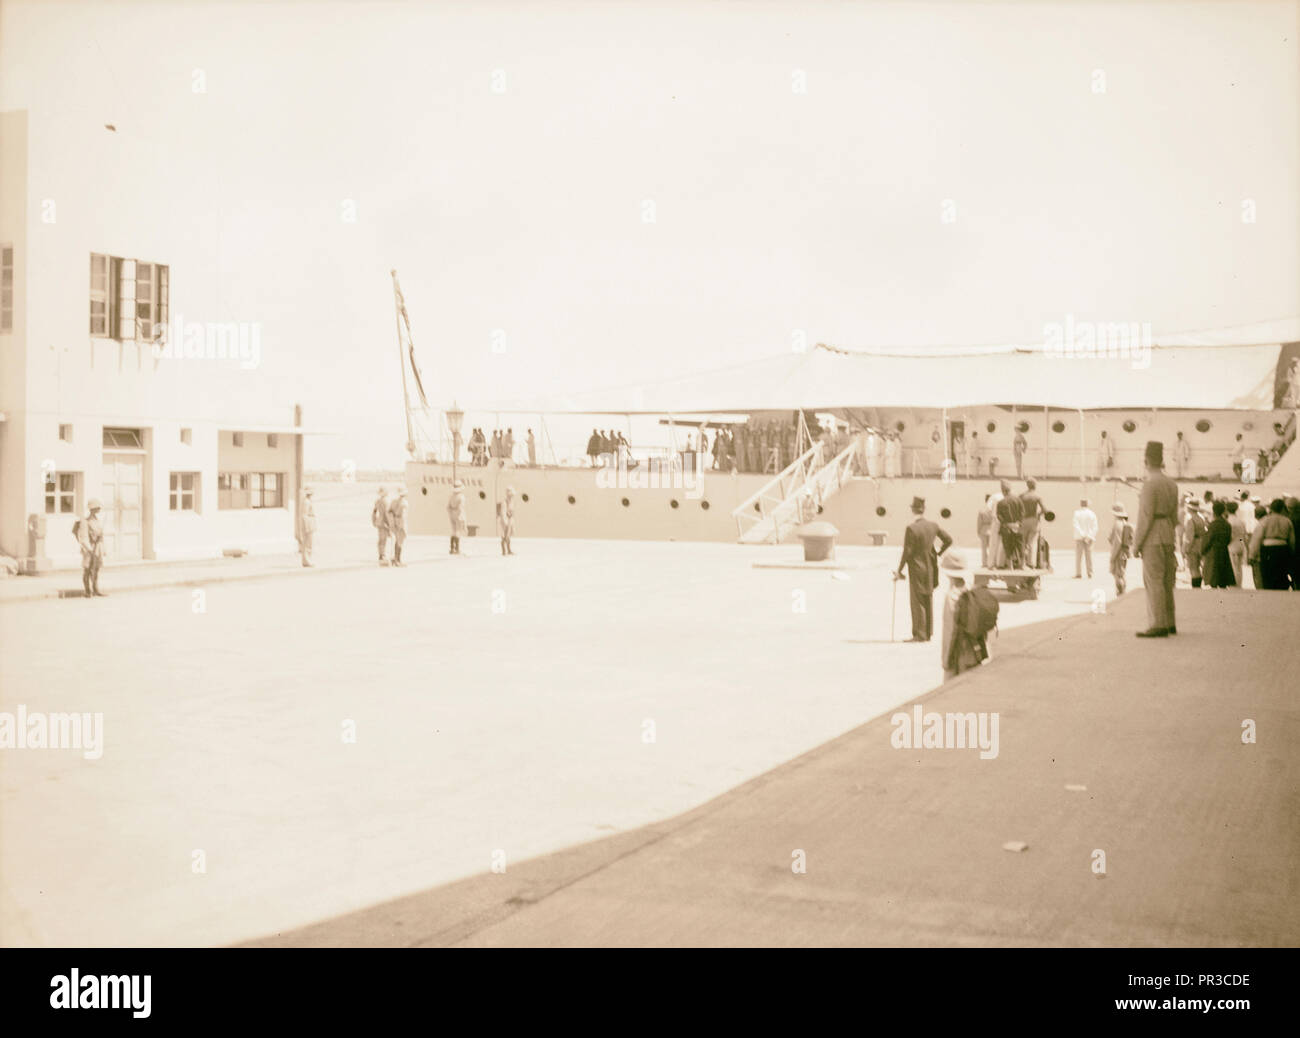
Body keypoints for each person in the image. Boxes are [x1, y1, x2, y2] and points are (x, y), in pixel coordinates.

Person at [1134, 440, 1179, 637]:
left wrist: (1136, 544)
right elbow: (1176, 517)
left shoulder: (1149, 484)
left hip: (1153, 535)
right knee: (1167, 581)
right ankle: (1170, 622)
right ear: (1161, 461)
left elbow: (1145, 517)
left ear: (1146, 460)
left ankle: (1158, 624)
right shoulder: (1172, 484)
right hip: (1168, 533)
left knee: (1154, 581)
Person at [894, 496, 953, 643]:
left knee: (917, 600)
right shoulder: (933, 525)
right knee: (928, 598)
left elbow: (907, 552)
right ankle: (928, 633)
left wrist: (899, 570)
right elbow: (948, 540)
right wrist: (938, 553)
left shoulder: (911, 528)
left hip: (916, 568)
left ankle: (919, 635)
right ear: (923, 510)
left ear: (913, 510)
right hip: (931, 567)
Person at [940, 553, 989, 680]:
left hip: (958, 654)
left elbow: (950, 631)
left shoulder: (952, 596)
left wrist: (946, 659)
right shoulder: (971, 592)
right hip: (974, 651)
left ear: (948, 574)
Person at [1249, 498, 1296, 590]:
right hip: (1283, 548)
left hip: (1267, 549)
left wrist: (1252, 555)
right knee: (1281, 573)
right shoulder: (1287, 521)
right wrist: (1291, 552)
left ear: (1271, 508)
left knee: (1267, 573)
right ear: (1282, 508)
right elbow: (1292, 540)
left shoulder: (1265, 520)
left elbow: (1257, 538)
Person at [1201, 500, 1236, 588]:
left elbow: (1208, 539)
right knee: (1223, 579)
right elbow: (1229, 539)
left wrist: (1203, 550)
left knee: (1214, 577)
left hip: (1213, 552)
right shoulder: (1227, 524)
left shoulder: (1213, 525)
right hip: (1224, 551)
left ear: (1213, 511)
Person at [76, 498, 107, 597]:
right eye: (97, 508)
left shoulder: (97, 521)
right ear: (92, 509)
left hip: (97, 548)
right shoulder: (85, 521)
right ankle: (87, 591)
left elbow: (101, 537)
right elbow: (83, 537)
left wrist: (103, 549)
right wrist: (89, 550)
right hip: (89, 549)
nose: (99, 509)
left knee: (96, 569)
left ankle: (95, 589)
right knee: (87, 569)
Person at [995, 479, 1024, 569]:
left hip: (1006, 528)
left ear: (1003, 490)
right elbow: (1022, 513)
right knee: (1020, 546)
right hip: (1017, 527)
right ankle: (1022, 565)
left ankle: (1010, 567)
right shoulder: (1018, 500)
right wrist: (1018, 523)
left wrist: (1007, 524)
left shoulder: (1001, 503)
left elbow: (999, 517)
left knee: (1008, 547)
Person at [1108, 503, 1134, 595]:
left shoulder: (1117, 524)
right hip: (1124, 553)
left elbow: (1117, 542)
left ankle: (1121, 593)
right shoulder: (1124, 523)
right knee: (1121, 574)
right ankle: (1122, 592)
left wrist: (1113, 557)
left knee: (1117, 575)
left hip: (1118, 553)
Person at [1183, 499, 1208, 588]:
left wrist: (1186, 549)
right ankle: (1200, 584)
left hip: (1193, 546)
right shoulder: (1201, 517)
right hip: (1201, 543)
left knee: (1194, 568)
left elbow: (1189, 537)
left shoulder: (1190, 519)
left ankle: (1196, 587)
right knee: (1200, 566)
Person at [1019, 478, 1043, 569]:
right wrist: (1039, 514)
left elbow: (1018, 509)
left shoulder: (1021, 496)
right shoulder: (1037, 497)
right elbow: (1044, 509)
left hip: (1023, 520)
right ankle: (1031, 563)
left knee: (1022, 542)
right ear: (1035, 485)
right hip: (1033, 520)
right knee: (1032, 542)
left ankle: (1022, 563)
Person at [1073, 498, 1097, 578]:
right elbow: (1095, 527)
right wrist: (1089, 536)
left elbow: (1076, 525)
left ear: (1080, 504)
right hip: (1089, 539)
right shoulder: (1092, 514)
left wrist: (1082, 535)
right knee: (1089, 556)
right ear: (1088, 504)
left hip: (1079, 538)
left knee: (1078, 557)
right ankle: (1090, 573)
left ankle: (1078, 573)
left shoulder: (1077, 513)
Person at [1226, 501, 1248, 588]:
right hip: (1240, 545)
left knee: (1233, 566)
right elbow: (1244, 535)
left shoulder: (1228, 521)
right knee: (1239, 567)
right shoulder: (1241, 521)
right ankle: (1239, 584)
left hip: (1232, 545)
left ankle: (1234, 585)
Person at [388, 488, 409, 566]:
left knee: (396, 540)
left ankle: (395, 559)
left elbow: (389, 511)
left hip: (394, 521)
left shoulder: (393, 501)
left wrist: (392, 523)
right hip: (401, 522)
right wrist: (402, 527)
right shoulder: (404, 503)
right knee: (400, 542)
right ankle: (398, 560)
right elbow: (403, 515)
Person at [372, 486, 392, 565]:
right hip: (384, 522)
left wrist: (374, 521)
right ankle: (382, 555)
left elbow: (374, 511)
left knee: (381, 539)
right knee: (384, 539)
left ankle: (381, 554)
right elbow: (386, 513)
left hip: (379, 522)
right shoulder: (385, 501)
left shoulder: (377, 501)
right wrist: (390, 524)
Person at [447, 480, 468, 555]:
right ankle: (457, 549)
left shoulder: (451, 496)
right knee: (458, 531)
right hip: (458, 515)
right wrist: (463, 519)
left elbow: (448, 507)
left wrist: (451, 513)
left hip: (452, 514)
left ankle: (452, 548)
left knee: (453, 531)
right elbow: (461, 508)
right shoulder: (461, 497)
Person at [298, 487, 316, 567]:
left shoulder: (308, 501)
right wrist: (306, 526)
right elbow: (304, 515)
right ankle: (306, 560)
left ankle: (307, 560)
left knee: (309, 543)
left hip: (310, 522)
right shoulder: (306, 502)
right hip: (308, 523)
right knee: (307, 543)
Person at [497, 486, 516, 556]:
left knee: (508, 536)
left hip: (510, 520)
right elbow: (503, 513)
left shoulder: (511, 502)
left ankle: (508, 550)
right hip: (506, 521)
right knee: (504, 536)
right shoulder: (504, 502)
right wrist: (505, 522)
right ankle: (504, 551)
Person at [976, 493, 993, 568]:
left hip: (984, 530)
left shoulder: (982, 510)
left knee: (984, 548)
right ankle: (991, 563)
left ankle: (984, 563)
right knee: (992, 548)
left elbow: (979, 522)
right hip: (992, 529)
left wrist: (978, 531)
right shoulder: (994, 510)